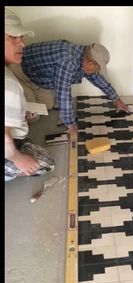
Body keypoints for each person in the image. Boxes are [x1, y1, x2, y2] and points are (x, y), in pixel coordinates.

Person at [9, 40, 132, 134]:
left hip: (38, 75)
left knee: (48, 105)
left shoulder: (82, 56)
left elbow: (98, 79)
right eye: (97, 68)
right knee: (34, 116)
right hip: (20, 70)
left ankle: (31, 94)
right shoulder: (67, 61)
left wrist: (116, 100)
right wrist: (70, 124)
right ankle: (18, 107)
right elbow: (63, 94)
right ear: (90, 63)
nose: (97, 72)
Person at [5, 8, 55, 181]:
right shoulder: (8, 83)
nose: (22, 43)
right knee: (46, 163)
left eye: (21, 37)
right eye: (12, 37)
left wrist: (20, 113)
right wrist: (16, 157)